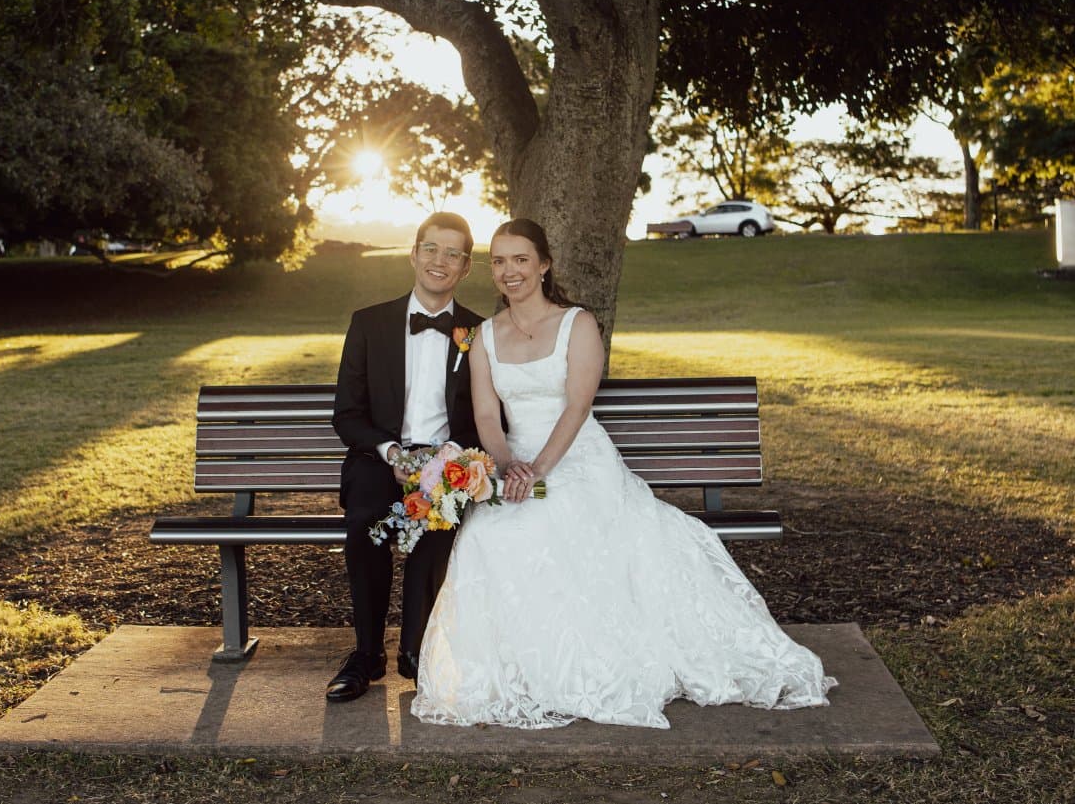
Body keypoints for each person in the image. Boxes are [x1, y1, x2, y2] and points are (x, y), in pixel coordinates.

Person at [410, 218, 836, 728]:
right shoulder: (483, 335)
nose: (509, 271)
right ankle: (525, 669)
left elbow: (576, 406)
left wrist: (540, 469)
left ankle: (589, 667)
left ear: (545, 265)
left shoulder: (578, 324)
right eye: (499, 261)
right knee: (487, 534)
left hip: (578, 459)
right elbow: (485, 417)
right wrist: (507, 467)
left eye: (521, 259)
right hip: (517, 460)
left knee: (558, 522)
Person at [326, 212, 485, 702]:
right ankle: (366, 654)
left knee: (437, 529)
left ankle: (416, 653)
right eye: (431, 249)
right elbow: (346, 415)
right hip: (380, 458)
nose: (439, 261)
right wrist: (391, 451)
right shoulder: (369, 324)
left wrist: (449, 458)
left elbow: (482, 415)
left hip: (448, 462)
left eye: (452, 253)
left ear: (465, 267)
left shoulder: (478, 332)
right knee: (366, 520)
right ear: (413, 254)